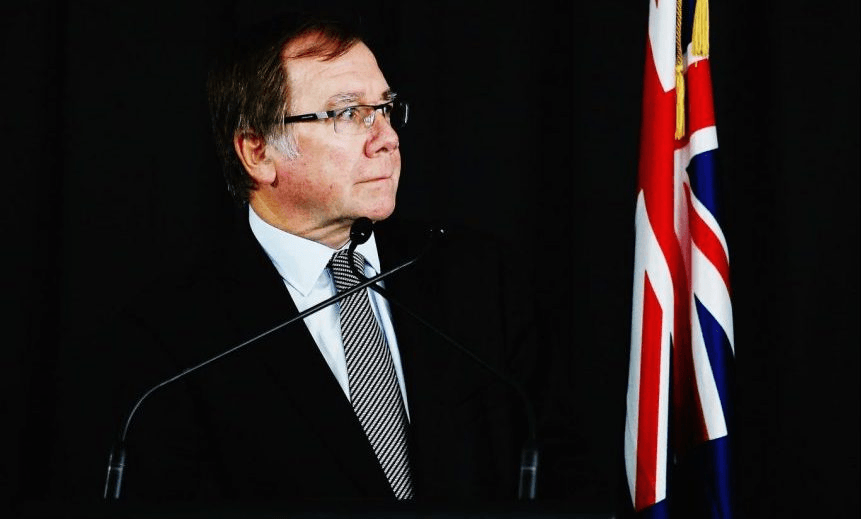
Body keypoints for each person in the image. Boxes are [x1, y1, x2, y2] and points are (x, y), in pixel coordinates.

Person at [52, 13, 539, 505]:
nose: (387, 137)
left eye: (385, 109)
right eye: (348, 114)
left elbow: (560, 467)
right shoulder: (169, 342)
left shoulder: (479, 277)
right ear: (257, 152)